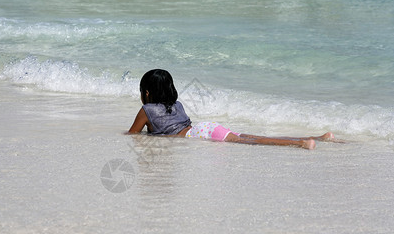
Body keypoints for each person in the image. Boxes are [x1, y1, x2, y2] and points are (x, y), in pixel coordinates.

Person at [128, 69, 336, 150]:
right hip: (205, 128)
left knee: (252, 141)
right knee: (252, 136)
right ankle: (319, 137)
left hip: (200, 134)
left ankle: (301, 143)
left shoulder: (146, 110)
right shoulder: (177, 104)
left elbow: (132, 135)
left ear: (147, 92)